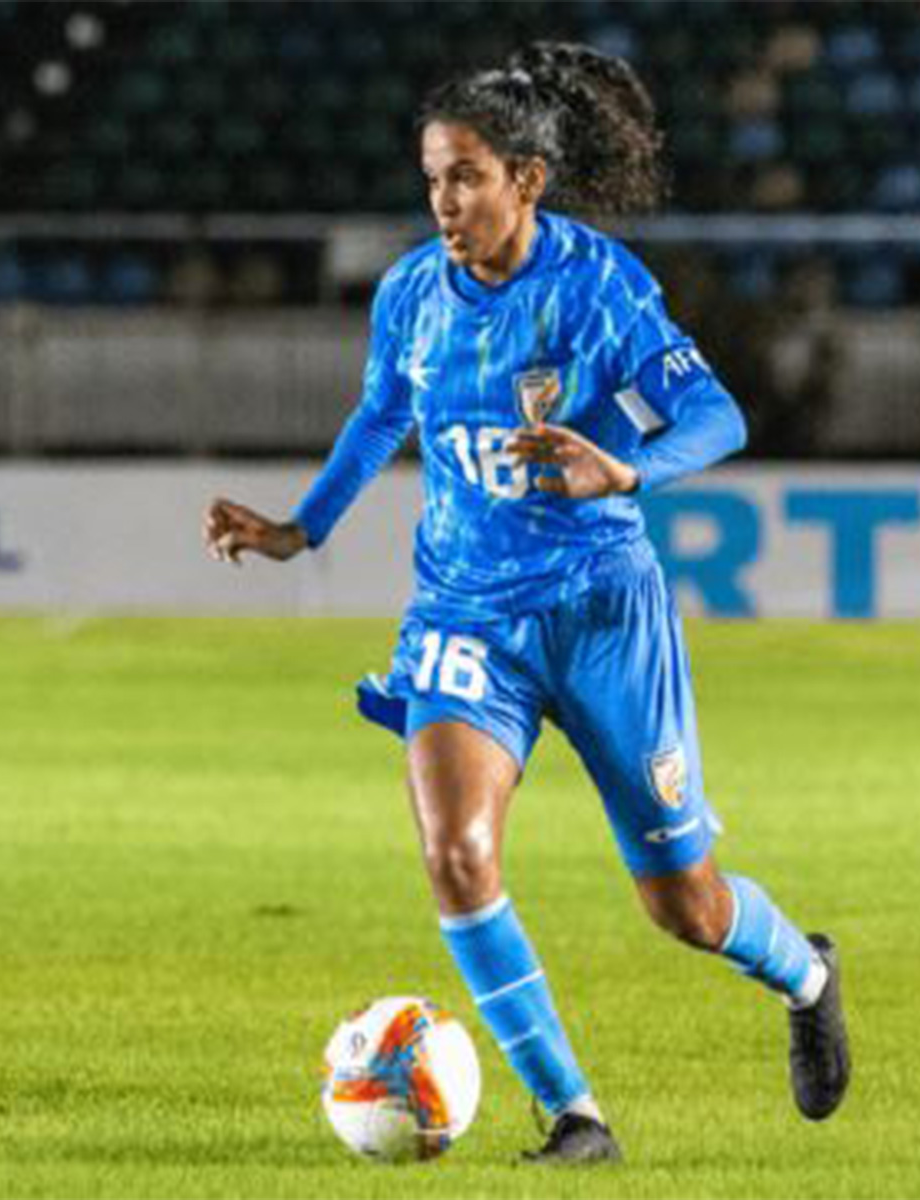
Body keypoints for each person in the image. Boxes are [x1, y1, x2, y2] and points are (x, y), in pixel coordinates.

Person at [203, 42, 849, 1164]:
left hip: (601, 611)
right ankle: (574, 1114)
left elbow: (717, 419)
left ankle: (805, 972)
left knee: (682, 907)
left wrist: (620, 466)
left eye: (465, 177)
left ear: (527, 181)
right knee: (456, 853)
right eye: (431, 179)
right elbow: (377, 422)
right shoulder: (411, 293)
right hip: (465, 618)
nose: (444, 202)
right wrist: (300, 527)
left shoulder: (598, 288)